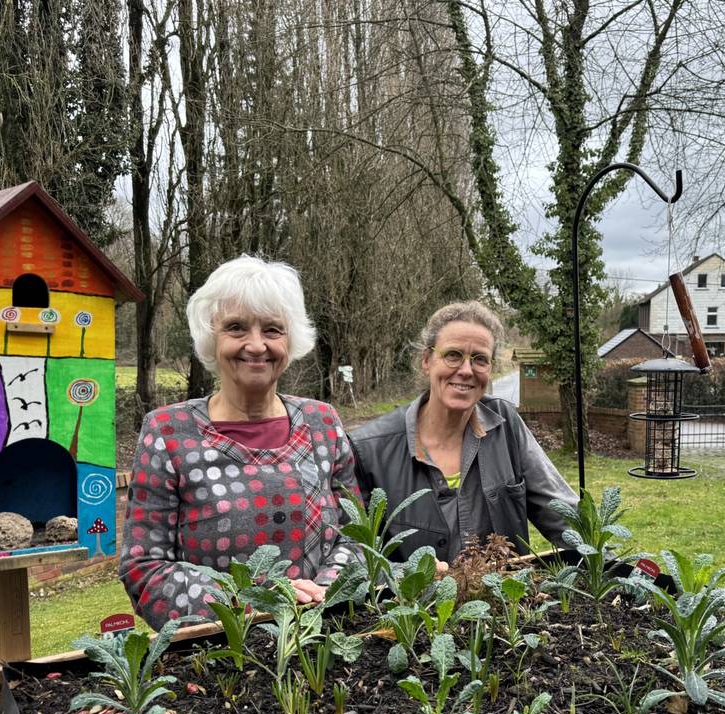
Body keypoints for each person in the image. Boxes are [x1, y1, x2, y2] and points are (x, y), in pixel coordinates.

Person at [119, 256, 360, 628]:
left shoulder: (323, 423)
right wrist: (249, 604)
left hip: (323, 637)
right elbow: (144, 567)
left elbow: (356, 537)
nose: (256, 344)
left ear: (291, 338)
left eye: (273, 330)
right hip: (221, 658)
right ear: (211, 337)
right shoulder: (168, 432)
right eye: (236, 328)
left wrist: (325, 592)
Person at [350, 301, 576, 564]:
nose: (466, 371)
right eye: (453, 355)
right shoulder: (368, 450)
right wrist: (404, 573)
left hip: (508, 602)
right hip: (414, 603)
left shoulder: (505, 426)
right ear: (427, 360)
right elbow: (352, 555)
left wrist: (613, 571)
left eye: (480, 359)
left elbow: (564, 514)